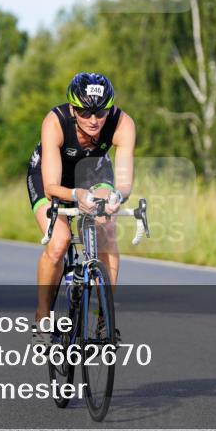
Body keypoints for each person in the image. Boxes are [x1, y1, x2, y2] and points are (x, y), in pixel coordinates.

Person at [27, 72, 136, 346]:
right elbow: (52, 186)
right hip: (52, 178)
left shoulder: (122, 124)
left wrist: (115, 198)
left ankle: (103, 317)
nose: (94, 119)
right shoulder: (55, 122)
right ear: (73, 109)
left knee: (107, 231)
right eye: (85, 112)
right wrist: (76, 195)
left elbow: (123, 184)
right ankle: (43, 317)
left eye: (100, 112)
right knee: (59, 242)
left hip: (93, 173)